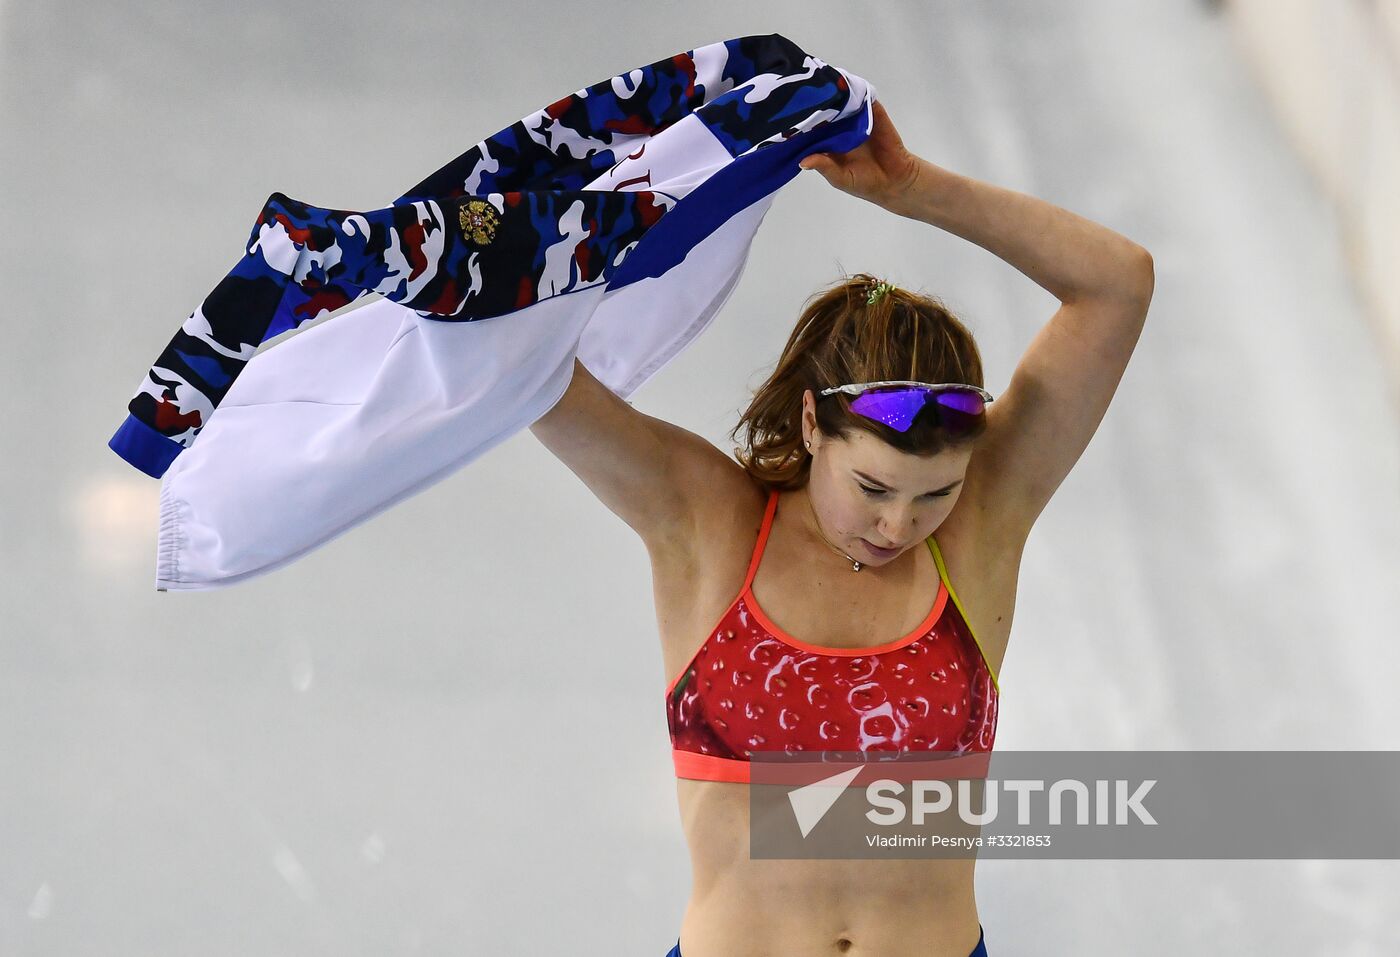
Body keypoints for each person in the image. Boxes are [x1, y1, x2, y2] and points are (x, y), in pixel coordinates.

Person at [529, 98, 1154, 957]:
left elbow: (1118, 284)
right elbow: (529, 374)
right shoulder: (709, 522)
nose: (899, 524)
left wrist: (914, 188)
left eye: (934, 492)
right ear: (813, 426)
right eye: (873, 486)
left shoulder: (981, 526)